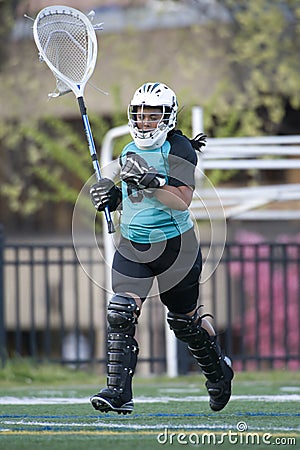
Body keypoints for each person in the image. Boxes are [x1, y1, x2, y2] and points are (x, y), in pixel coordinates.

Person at [89, 82, 234, 415]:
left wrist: (152, 181)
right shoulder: (127, 150)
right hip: (134, 244)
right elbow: (132, 200)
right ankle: (118, 393)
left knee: (184, 322)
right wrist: (111, 198)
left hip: (175, 248)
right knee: (120, 310)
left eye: (153, 116)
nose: (145, 122)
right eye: (140, 116)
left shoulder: (180, 148)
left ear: (167, 118)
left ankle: (218, 371)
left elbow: (181, 201)